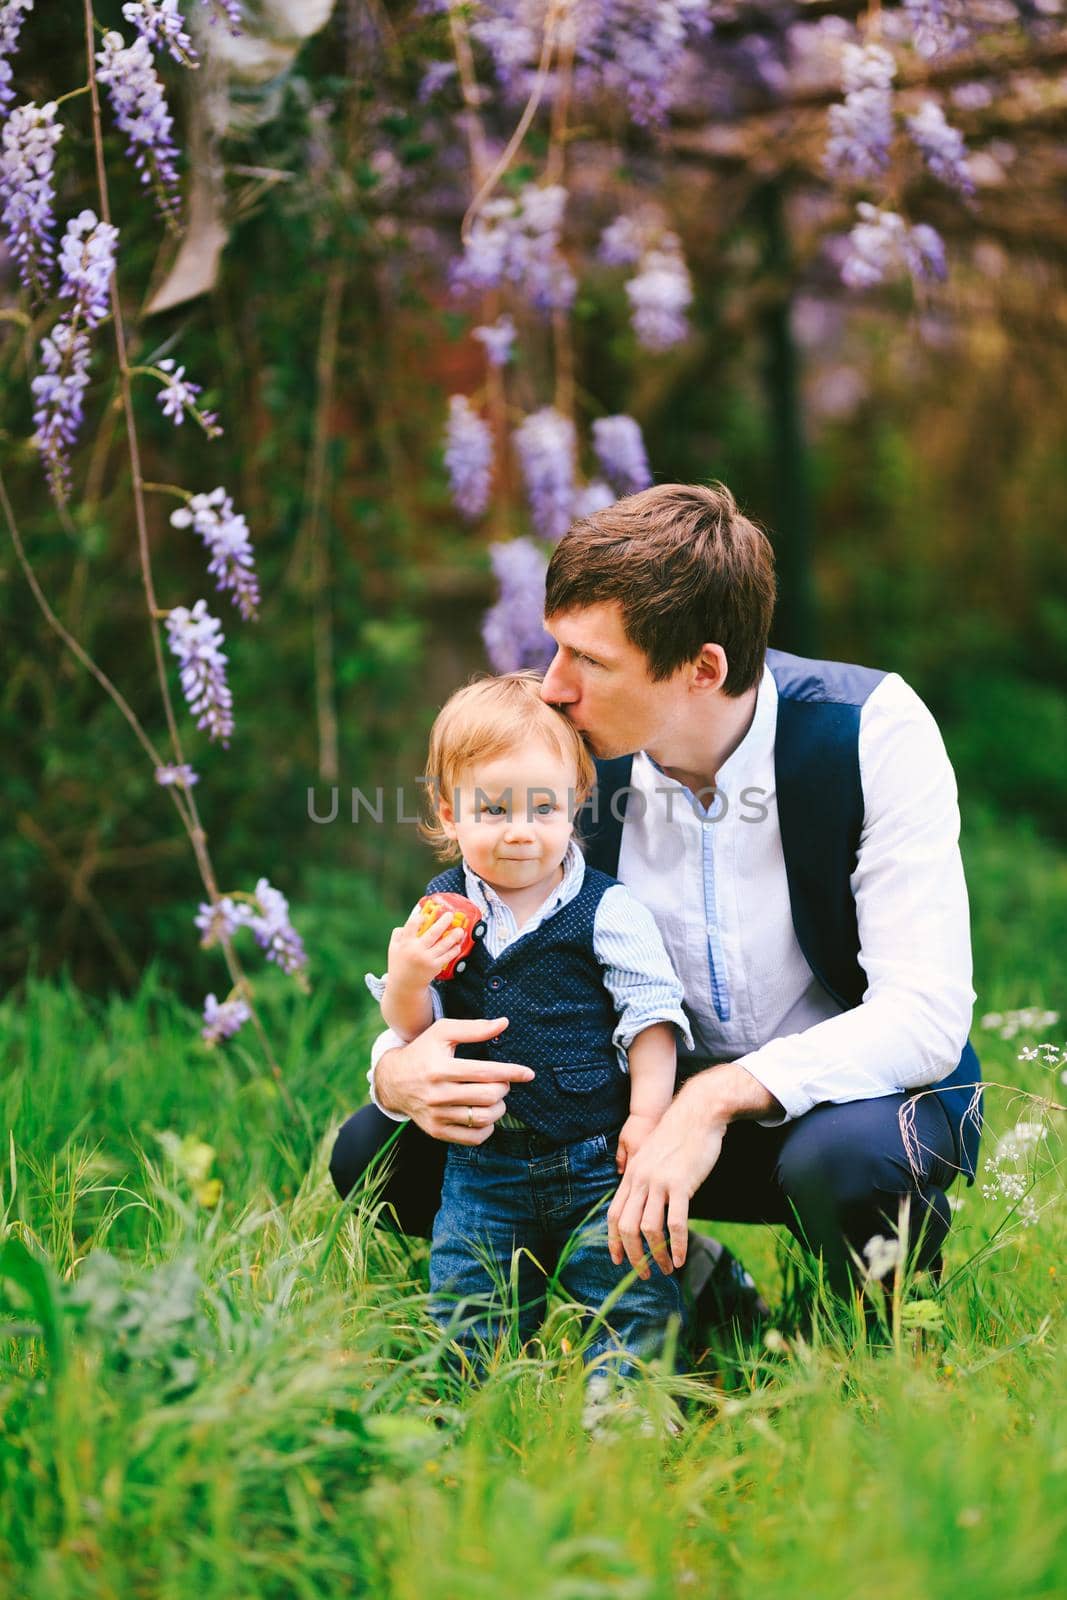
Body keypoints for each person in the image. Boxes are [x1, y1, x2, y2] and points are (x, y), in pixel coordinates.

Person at [331, 481, 982, 1314]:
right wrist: (396, 1074)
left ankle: (877, 1327)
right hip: (626, 1114)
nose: (552, 687)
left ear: (701, 668)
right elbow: (469, 964)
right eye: (554, 648)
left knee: (845, 1165)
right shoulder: (568, 762)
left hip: (842, 1103)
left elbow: (925, 1016)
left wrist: (713, 1098)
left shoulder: (870, 732)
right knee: (378, 1154)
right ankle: (680, 1287)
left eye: (589, 662)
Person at [362, 672, 694, 1372]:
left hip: (594, 1150)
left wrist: (646, 1118)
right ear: (448, 814)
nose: (519, 832)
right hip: (483, 1159)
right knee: (468, 1292)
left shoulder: (606, 909)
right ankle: (465, 1400)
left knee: (624, 1282)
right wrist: (410, 978)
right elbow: (414, 1032)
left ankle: (626, 1401)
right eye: (492, 810)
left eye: (541, 809)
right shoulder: (442, 906)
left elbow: (651, 1017)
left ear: (575, 805)